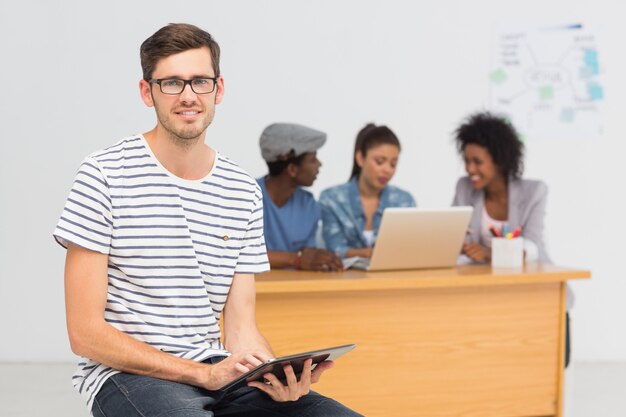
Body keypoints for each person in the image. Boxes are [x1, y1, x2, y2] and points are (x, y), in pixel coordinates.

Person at [53, 23, 362, 417]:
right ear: (147, 92)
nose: (188, 96)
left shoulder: (242, 190)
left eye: (199, 81)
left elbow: (241, 329)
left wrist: (274, 376)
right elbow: (85, 334)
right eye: (171, 83)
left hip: (221, 373)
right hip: (127, 377)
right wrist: (202, 375)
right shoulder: (103, 175)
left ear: (218, 89)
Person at [451, 112, 549, 263]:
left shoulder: (534, 192)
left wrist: (490, 253)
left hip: (530, 276)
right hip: (482, 277)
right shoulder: (464, 188)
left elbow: (532, 248)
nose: (469, 169)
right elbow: (454, 239)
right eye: (467, 161)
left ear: (500, 161)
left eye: (477, 162)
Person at [319, 123, 416, 259]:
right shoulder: (331, 199)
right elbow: (334, 249)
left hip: (391, 278)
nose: (387, 170)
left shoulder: (404, 201)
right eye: (380, 161)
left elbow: (409, 248)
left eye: (393, 164)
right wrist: (368, 254)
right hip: (345, 279)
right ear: (360, 158)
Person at [257, 123, 343, 272]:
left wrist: (322, 259)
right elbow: (238, 255)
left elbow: (308, 255)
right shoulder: (247, 197)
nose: (319, 164)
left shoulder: (309, 204)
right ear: (292, 169)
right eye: (313, 159)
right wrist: (296, 258)